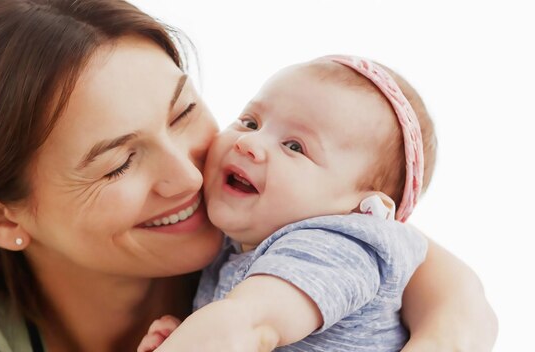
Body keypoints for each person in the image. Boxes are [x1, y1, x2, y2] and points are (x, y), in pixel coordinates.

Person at [0, 1, 496, 351]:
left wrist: (453, 316)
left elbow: (386, 243)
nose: (188, 176)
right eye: (120, 161)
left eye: (184, 112)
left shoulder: (272, 236)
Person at [137, 55, 437, 352]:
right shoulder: (234, 243)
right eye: (250, 122)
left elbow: (252, 323)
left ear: (363, 210)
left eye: (294, 146)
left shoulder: (337, 248)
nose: (250, 143)